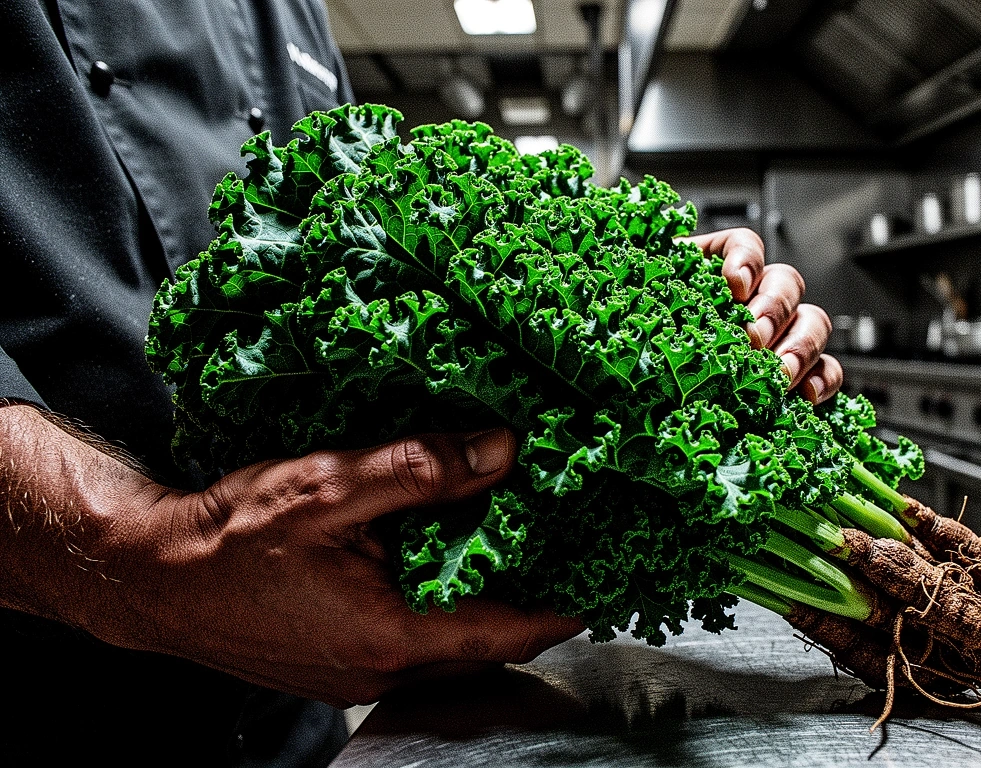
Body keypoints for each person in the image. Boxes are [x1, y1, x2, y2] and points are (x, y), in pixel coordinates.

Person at [0, 1, 843, 765]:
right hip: (54, 702)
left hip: (301, 722)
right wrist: (134, 553)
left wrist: (657, 317)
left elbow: (361, 290)